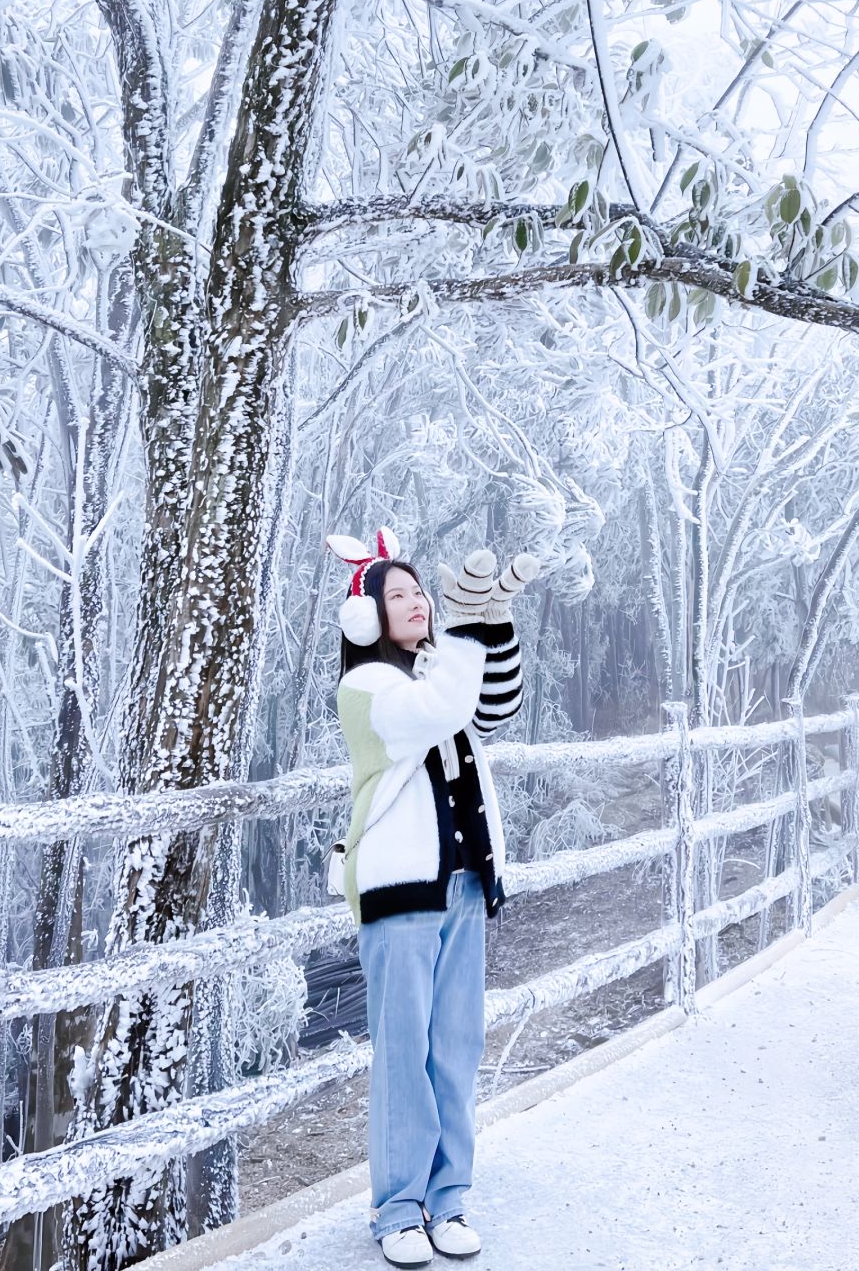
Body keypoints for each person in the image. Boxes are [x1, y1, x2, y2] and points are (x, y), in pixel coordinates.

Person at [327, 526, 538, 1267]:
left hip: (464, 885)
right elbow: (441, 712)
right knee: (403, 1054)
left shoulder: (440, 673)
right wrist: (466, 628)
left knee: (455, 1048)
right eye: (400, 595)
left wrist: (493, 622)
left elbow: (494, 704)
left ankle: (449, 1201)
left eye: (421, 592)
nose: (417, 603)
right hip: (400, 892)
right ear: (366, 618)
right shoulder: (368, 689)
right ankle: (397, 1210)